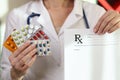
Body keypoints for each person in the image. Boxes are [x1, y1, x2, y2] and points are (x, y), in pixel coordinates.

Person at [0, 0, 120, 80]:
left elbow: (111, 66)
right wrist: (15, 74)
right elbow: (5, 74)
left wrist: (118, 29)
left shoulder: (96, 13)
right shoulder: (17, 16)